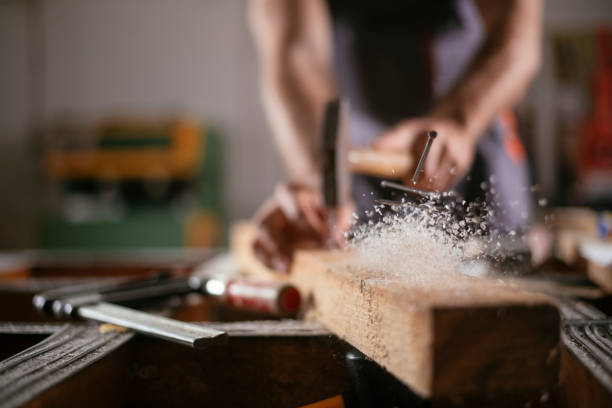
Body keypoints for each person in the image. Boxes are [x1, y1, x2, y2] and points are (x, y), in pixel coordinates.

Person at [248, 0, 542, 272]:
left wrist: (458, 119)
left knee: (501, 274)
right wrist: (317, 178)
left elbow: (519, 42)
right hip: (363, 156)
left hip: (472, 128)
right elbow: (296, 53)